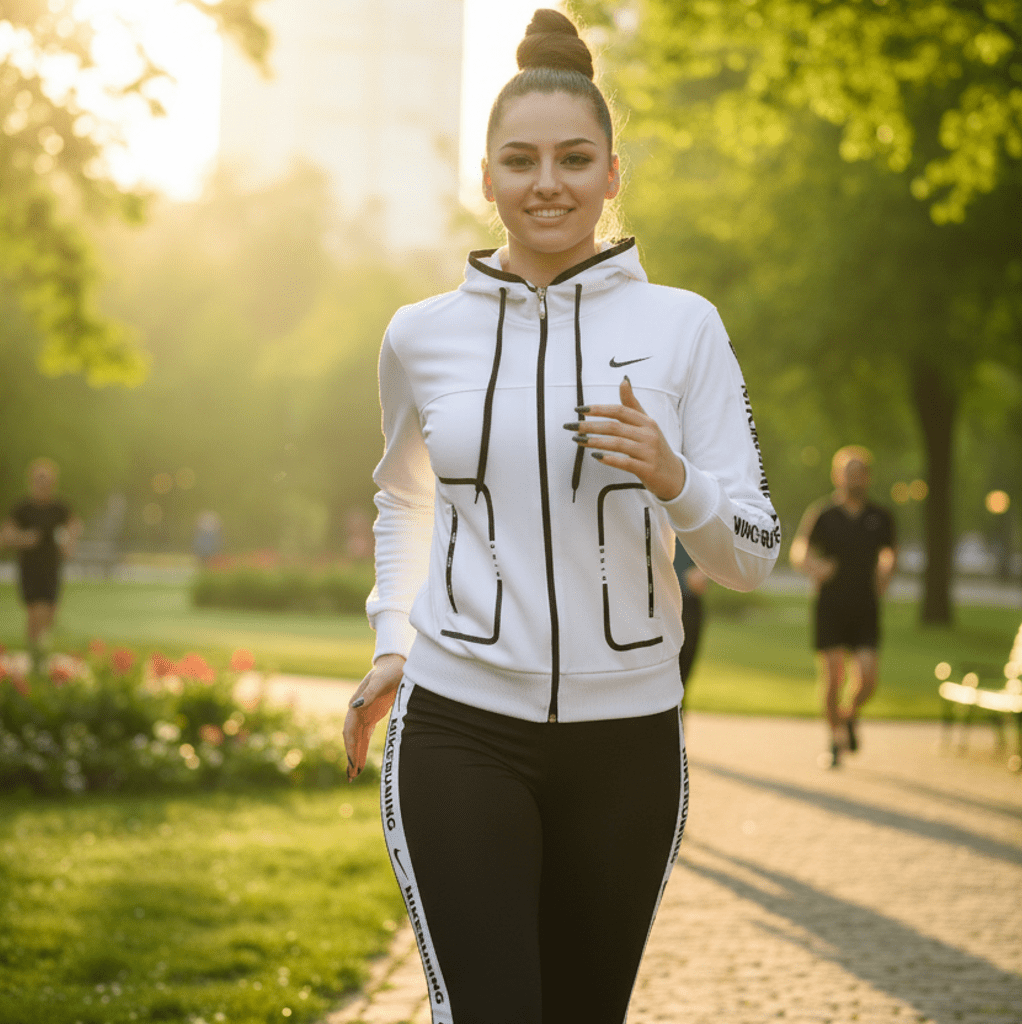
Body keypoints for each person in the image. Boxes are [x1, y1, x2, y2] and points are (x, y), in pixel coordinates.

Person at [342, 11, 780, 1022]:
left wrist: (677, 477)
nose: (549, 182)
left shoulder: (684, 327)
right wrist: (391, 639)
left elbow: (752, 551)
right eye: (521, 160)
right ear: (486, 175)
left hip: (626, 738)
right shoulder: (419, 337)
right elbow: (405, 493)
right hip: (458, 725)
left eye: (574, 159)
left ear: (612, 174)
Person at [790, 445, 897, 768]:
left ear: (867, 477)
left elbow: (890, 552)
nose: (854, 479)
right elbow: (798, 551)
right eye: (848, 473)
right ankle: (835, 740)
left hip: (865, 604)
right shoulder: (823, 514)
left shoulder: (881, 517)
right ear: (838, 476)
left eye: (859, 473)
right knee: (833, 676)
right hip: (831, 605)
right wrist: (814, 567)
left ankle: (848, 715)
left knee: (867, 679)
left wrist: (886, 570)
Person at [0, 458, 82, 671]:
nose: (43, 483)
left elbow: (74, 526)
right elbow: (4, 536)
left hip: (51, 567)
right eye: (39, 479)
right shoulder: (23, 509)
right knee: (35, 611)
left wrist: (69, 543)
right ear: (32, 481)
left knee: (49, 611)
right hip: (30, 568)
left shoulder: (59, 508)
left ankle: (38, 653)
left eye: (47, 479)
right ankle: (37, 656)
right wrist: (23, 539)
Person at [674, 540, 709, 703]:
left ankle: (678, 723)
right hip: (655, 602)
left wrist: (704, 571)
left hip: (688, 602)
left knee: (681, 677)